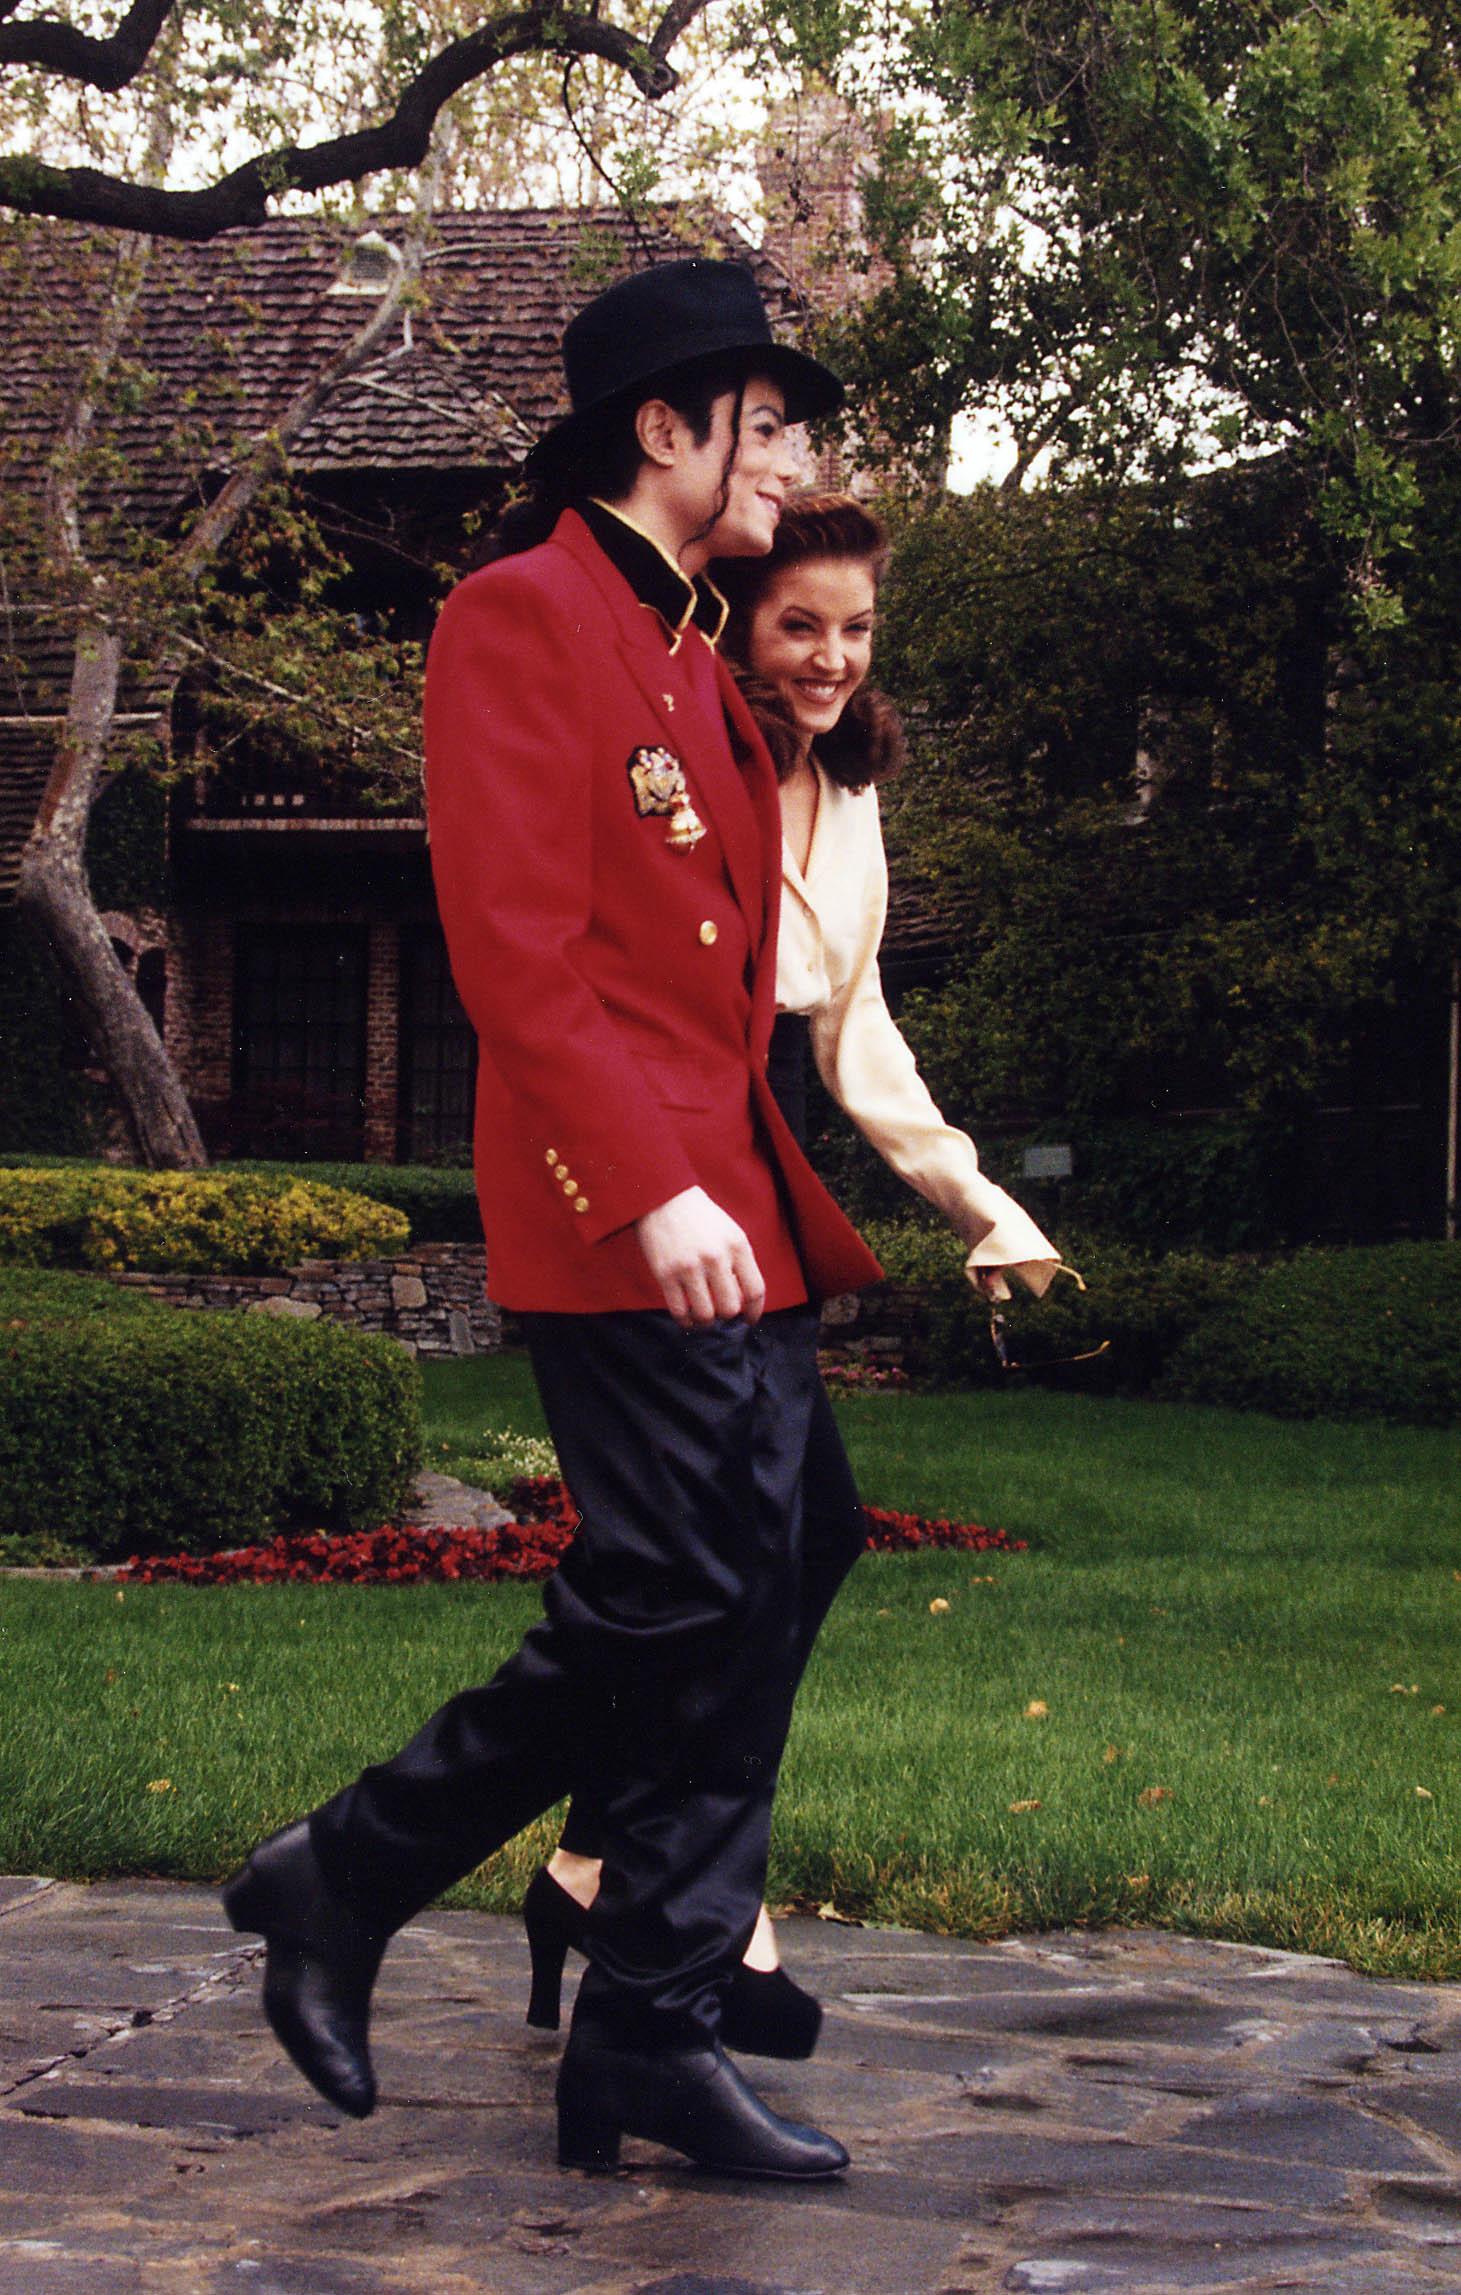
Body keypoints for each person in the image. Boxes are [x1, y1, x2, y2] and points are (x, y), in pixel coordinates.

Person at [221, 261, 888, 2184]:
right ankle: (354, 1873)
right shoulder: (517, 618)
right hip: (632, 1206)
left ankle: (642, 2026)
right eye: (766, 425)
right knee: (688, 1586)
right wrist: (650, 1181)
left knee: (787, 1551)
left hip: (730, 1201)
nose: (793, 459)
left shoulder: (696, 654)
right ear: (663, 430)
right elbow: (515, 956)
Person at [521, 492, 1064, 2051]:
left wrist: (971, 1198)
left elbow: (852, 1015)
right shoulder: (699, 763)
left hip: (752, 1175)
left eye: (856, 628)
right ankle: (687, 1907)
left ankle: (594, 1862)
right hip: (653, 1178)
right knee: (728, 1567)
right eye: (797, 625)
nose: (830, 658)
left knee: (789, 1544)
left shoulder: (843, 777)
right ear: (741, 623)